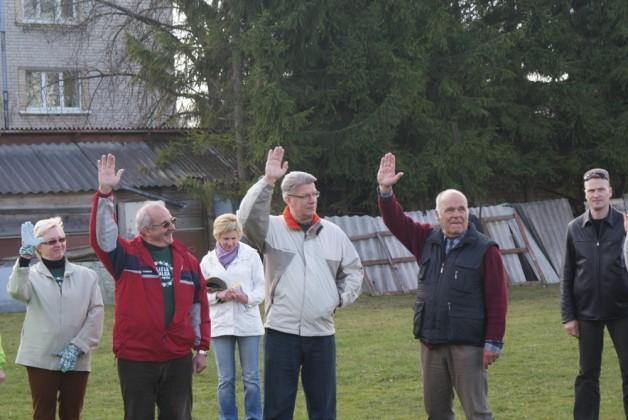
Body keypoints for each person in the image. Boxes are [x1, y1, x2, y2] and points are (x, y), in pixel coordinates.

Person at [376, 152, 507, 420]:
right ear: (438, 215)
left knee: (477, 412)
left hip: (468, 346)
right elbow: (396, 221)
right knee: (436, 412)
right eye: (450, 210)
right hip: (431, 343)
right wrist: (386, 191)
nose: (457, 215)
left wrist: (493, 342)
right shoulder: (426, 240)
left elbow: (497, 299)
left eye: (462, 209)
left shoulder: (485, 249)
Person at [237, 146, 363, 420]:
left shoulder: (334, 234)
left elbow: (354, 271)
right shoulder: (271, 230)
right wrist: (267, 181)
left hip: (322, 334)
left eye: (314, 195)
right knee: (278, 409)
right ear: (288, 199)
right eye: (305, 196)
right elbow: (245, 219)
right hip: (281, 333)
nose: (312, 200)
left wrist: (339, 298)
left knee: (323, 410)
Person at [89, 153, 211, 420]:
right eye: (165, 224)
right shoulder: (125, 256)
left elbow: (198, 305)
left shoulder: (187, 260)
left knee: (179, 416)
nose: (171, 228)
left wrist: (201, 348)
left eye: (172, 222)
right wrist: (105, 192)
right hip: (137, 357)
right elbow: (103, 237)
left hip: (177, 355)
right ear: (144, 231)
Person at [7, 218, 104, 420]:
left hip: (77, 357)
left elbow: (96, 313)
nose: (59, 244)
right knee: (43, 414)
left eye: (62, 239)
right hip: (41, 357)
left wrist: (78, 346)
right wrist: (23, 260)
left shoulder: (87, 276)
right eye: (51, 242)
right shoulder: (29, 275)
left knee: (72, 413)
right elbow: (16, 292)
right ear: (38, 248)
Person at [562, 168, 628, 419]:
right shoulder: (574, 228)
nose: (597, 195)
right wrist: (568, 315)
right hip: (587, 312)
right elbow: (568, 273)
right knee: (587, 373)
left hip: (623, 311)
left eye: (601, 189)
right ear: (585, 195)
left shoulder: (624, 224)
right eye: (591, 191)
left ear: (610, 191)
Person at [199, 213, 265, 420]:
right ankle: (227, 417)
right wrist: (219, 296)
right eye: (225, 239)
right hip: (220, 324)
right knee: (225, 379)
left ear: (239, 236)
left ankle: (254, 417)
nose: (230, 243)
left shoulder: (251, 255)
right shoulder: (207, 261)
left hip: (248, 323)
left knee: (251, 378)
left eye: (234, 238)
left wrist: (246, 297)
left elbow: (262, 289)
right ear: (217, 236)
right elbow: (200, 294)